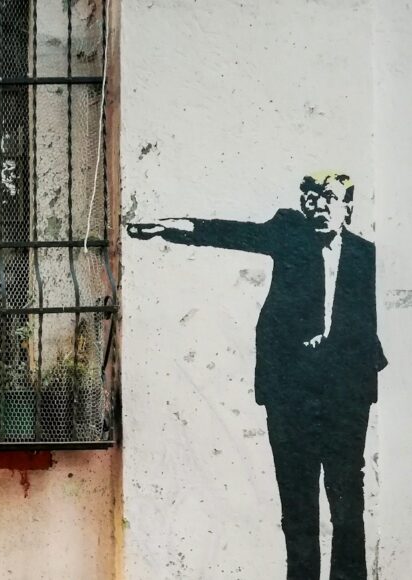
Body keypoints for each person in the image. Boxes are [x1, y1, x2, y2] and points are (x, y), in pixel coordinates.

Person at [127, 172, 386, 580]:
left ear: (348, 208)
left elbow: (374, 323)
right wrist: (170, 228)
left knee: (347, 504)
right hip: (290, 394)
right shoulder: (289, 233)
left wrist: (335, 348)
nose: (319, 206)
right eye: (312, 199)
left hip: (344, 395)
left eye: (330, 198)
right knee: (298, 504)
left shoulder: (367, 255)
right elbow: (229, 233)